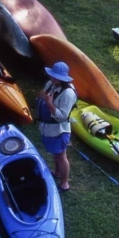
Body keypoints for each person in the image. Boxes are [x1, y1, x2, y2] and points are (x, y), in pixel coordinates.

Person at [37, 62, 77, 192]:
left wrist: (49, 104)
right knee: (56, 154)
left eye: (56, 78)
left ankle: (64, 184)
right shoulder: (51, 84)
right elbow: (43, 94)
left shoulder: (68, 94)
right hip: (48, 129)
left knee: (61, 156)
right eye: (52, 76)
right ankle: (57, 172)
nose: (53, 79)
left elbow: (62, 117)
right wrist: (42, 95)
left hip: (59, 131)